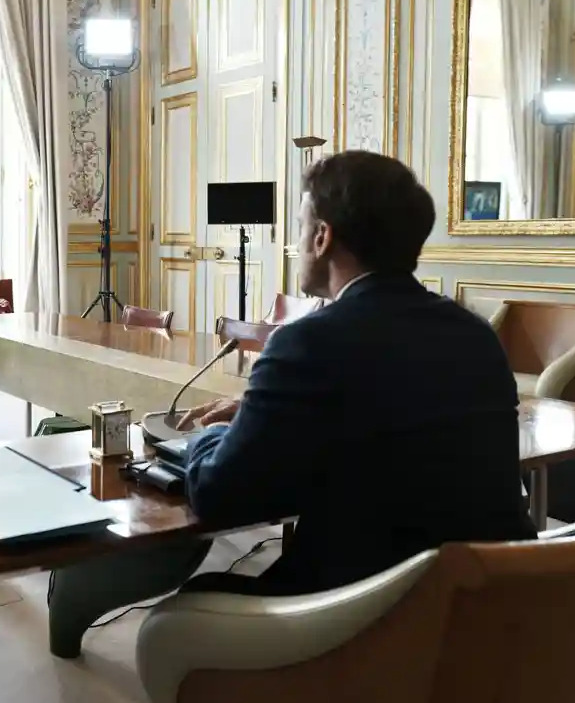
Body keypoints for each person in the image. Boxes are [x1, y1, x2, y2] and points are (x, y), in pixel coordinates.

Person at [44, 151, 537, 659]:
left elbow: (220, 494)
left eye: (299, 228)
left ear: (322, 238)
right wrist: (263, 413)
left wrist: (205, 438)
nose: (294, 245)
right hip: (487, 611)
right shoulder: (474, 336)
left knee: (173, 622)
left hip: (361, 619)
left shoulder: (308, 343)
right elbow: (386, 422)